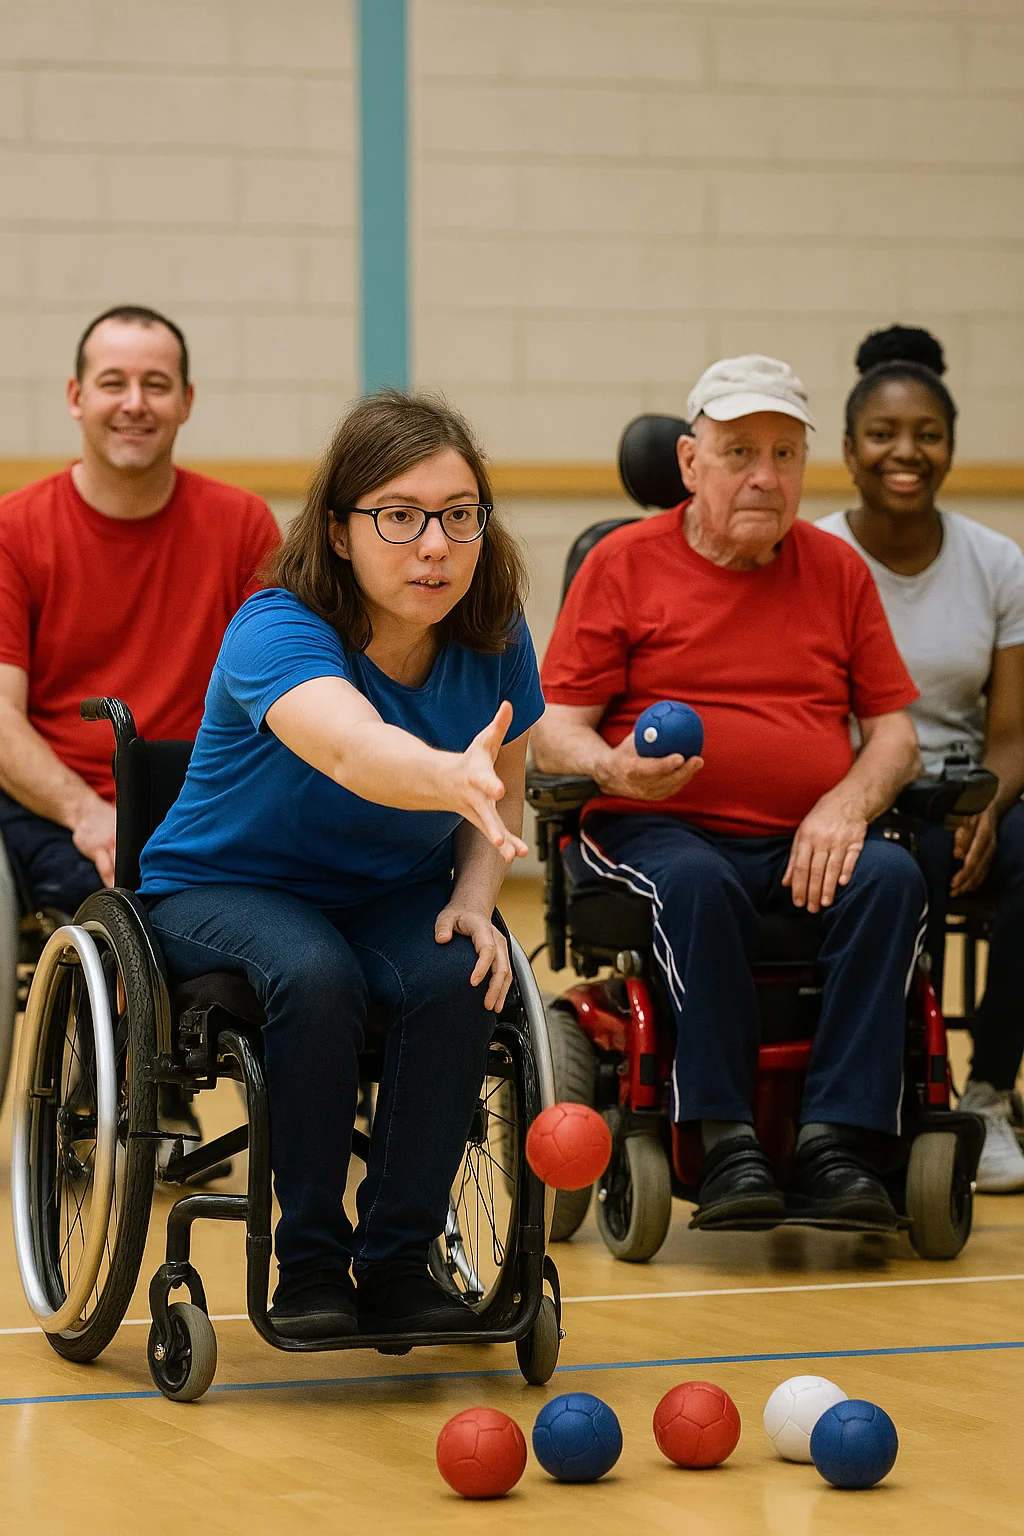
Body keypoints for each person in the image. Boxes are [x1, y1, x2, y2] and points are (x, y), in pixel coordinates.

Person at [139, 391, 544, 1340]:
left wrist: (478, 901)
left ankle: (401, 1261)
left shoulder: (492, 630)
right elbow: (354, 749)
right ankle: (312, 1260)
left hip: (384, 893)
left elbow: (505, 780)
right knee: (315, 973)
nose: (434, 546)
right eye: (399, 518)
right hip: (222, 886)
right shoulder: (276, 627)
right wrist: (448, 773)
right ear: (339, 529)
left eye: (458, 516)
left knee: (459, 973)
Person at [533, 354, 926, 1231]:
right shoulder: (623, 562)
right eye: (740, 451)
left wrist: (846, 803)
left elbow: (895, 734)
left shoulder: (839, 570)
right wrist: (611, 767)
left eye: (786, 455)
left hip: (805, 835)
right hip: (654, 826)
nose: (765, 475)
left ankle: (839, 1140)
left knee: (894, 880)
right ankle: (724, 1138)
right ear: (688, 462)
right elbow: (555, 725)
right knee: (696, 884)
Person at [0, 303, 281, 1155]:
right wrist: (88, 813)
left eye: (156, 385)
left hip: (206, 802)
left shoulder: (242, 527)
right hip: (56, 801)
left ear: (186, 401)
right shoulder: (17, 528)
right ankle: (108, 1081)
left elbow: (287, 698)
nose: (135, 403)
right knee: (113, 894)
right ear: (76, 396)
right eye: (114, 383)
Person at [819, 325, 1024, 1192]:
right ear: (849, 450)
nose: (907, 452)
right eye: (884, 434)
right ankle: (893, 1096)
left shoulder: (998, 563)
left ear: (949, 446)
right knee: (907, 870)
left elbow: (1011, 733)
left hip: (969, 792)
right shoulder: (816, 555)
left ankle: (985, 1091)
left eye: (928, 434)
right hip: (854, 792)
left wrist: (989, 803)